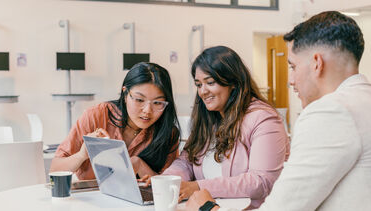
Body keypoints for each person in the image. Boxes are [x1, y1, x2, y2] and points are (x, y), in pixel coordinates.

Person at [185, 11, 371, 211]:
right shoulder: (362, 101)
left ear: (317, 63)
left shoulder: (331, 112)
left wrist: (206, 208)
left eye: (293, 66)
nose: (291, 80)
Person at [152, 46, 288, 209]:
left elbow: (260, 182)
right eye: (198, 84)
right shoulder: (209, 118)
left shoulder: (264, 119)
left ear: (233, 82)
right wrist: (167, 180)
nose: (203, 91)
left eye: (210, 82)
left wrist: (198, 186)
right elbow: (186, 162)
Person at [50, 62, 180, 180]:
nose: (147, 110)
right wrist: (82, 155)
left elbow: (170, 187)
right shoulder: (96, 116)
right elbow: (55, 169)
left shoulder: (167, 133)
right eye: (139, 100)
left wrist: (139, 164)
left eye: (157, 103)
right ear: (125, 94)